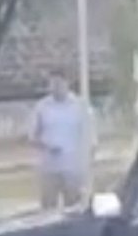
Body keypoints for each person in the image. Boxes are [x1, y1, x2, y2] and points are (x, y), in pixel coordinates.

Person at [28, 69, 92, 209]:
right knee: (48, 209)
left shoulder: (80, 106)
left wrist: (87, 161)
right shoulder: (42, 107)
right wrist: (47, 146)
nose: (56, 87)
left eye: (59, 83)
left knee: (74, 209)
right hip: (49, 168)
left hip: (73, 169)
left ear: (67, 83)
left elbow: (90, 135)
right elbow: (32, 137)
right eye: (52, 84)